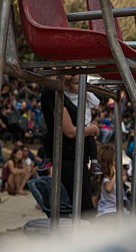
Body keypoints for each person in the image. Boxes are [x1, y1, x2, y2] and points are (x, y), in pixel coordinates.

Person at [40, 79, 99, 212]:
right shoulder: (52, 92)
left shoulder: (62, 94)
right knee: (84, 208)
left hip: (76, 158)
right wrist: (93, 129)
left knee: (84, 204)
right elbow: (70, 131)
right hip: (69, 158)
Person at [63, 75, 102, 174]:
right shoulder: (67, 94)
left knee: (91, 141)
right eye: (76, 83)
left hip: (86, 125)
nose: (79, 86)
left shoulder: (85, 94)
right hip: (73, 123)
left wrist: (86, 90)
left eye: (82, 83)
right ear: (68, 84)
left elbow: (96, 102)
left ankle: (94, 162)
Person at [96, 145, 117, 217]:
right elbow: (108, 189)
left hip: (113, 210)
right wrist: (116, 174)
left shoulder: (110, 177)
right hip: (107, 211)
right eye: (114, 160)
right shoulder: (106, 178)